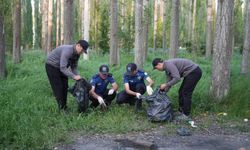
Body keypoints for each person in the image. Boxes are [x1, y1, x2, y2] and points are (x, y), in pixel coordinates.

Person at [45, 39, 89, 110]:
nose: (82, 52)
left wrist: (78, 76)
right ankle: (61, 109)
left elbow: (73, 67)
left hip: (62, 67)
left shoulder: (77, 54)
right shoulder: (68, 51)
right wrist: (74, 76)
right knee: (58, 88)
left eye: (83, 51)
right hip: (52, 66)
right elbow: (63, 68)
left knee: (65, 87)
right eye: (82, 50)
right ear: (78, 45)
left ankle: (64, 107)